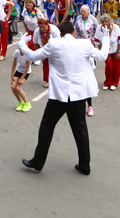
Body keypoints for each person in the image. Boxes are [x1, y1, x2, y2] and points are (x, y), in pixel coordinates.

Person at [20, 21, 110, 175]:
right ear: (74, 32)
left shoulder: (54, 43)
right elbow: (102, 56)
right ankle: (85, 165)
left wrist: (22, 43)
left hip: (59, 96)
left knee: (46, 127)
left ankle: (38, 161)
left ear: (60, 34)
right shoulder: (85, 44)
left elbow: (32, 55)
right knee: (81, 131)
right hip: (78, 95)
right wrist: (106, 38)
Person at [95, 15, 120, 91]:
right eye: (103, 22)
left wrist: (118, 51)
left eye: (106, 21)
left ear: (109, 21)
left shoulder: (116, 27)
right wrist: (104, 52)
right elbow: (97, 42)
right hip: (107, 50)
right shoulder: (99, 29)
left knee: (116, 67)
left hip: (118, 49)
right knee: (109, 66)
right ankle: (107, 83)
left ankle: (114, 83)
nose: (104, 23)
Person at [33, 18, 61, 88]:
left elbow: (59, 42)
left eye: (43, 27)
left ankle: (57, 80)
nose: (42, 29)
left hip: (54, 50)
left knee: (55, 65)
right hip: (44, 50)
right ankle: (48, 80)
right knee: (46, 65)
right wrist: (40, 53)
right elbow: (35, 43)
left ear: (47, 24)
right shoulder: (37, 31)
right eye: (40, 27)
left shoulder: (54, 29)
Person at [11, 48, 32, 112]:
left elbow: (27, 68)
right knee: (13, 86)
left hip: (26, 71)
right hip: (19, 70)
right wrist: (12, 75)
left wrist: (22, 78)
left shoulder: (28, 54)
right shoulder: (16, 52)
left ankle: (27, 104)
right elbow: (14, 64)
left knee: (18, 88)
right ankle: (20, 102)